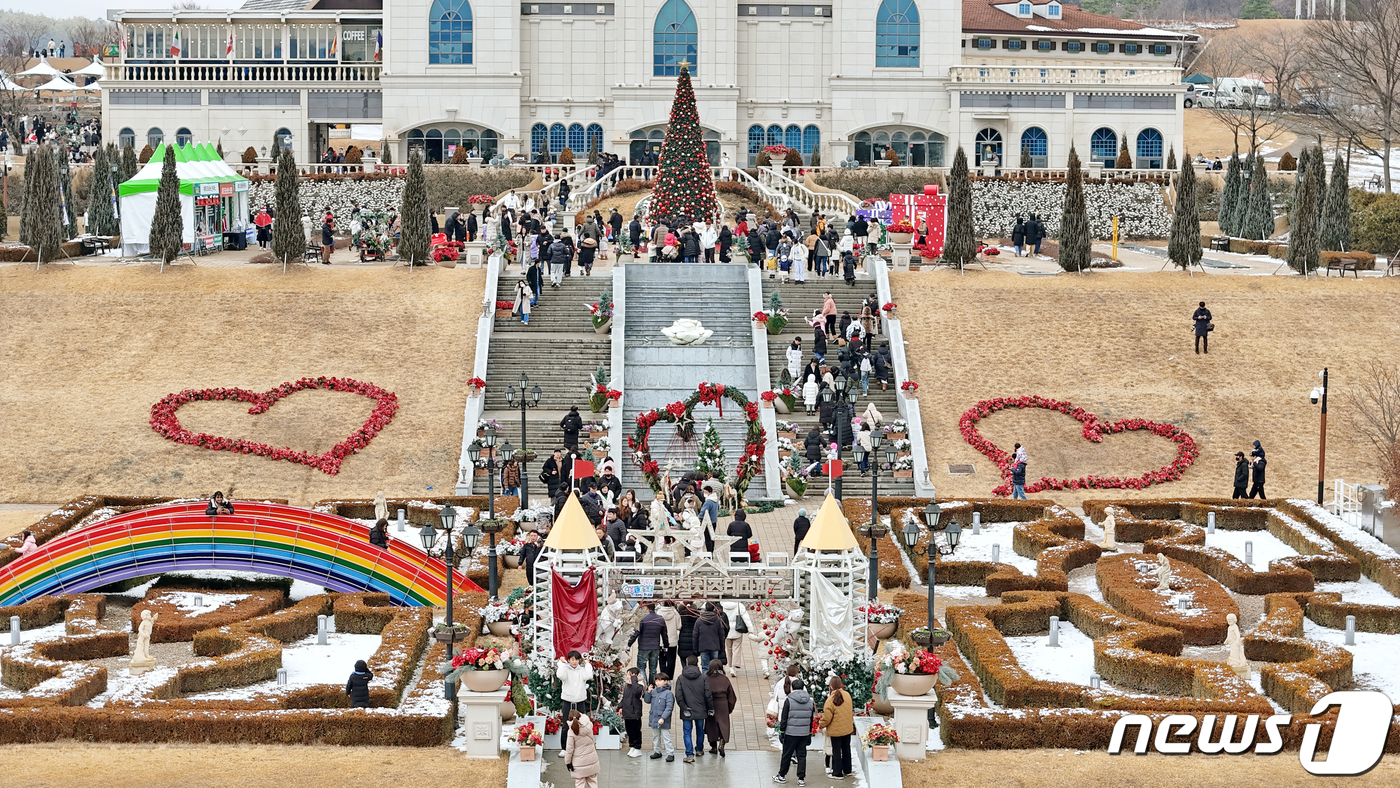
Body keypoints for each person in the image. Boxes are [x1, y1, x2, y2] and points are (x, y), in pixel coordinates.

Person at [673, 655, 713, 762]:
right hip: (701, 709)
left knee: (687, 732)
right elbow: (708, 694)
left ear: (686, 664)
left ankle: (689, 754)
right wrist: (710, 708)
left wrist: (684, 707)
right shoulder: (703, 677)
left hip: (687, 710)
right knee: (700, 730)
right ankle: (699, 749)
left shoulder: (681, 678)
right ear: (697, 664)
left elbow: (678, 695)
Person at [774, 677, 813, 784]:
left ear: (792, 688)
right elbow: (810, 719)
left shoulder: (789, 700)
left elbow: (784, 718)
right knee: (802, 756)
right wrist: (809, 732)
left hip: (790, 733)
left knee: (787, 754)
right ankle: (801, 778)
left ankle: (782, 775)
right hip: (804, 733)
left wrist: (782, 731)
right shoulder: (809, 702)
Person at [556, 650, 594, 755]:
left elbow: (588, 676)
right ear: (569, 660)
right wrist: (562, 664)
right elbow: (560, 675)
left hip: (580, 700)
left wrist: (587, 664)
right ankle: (564, 748)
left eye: (576, 659)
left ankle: (579, 747)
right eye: (572, 659)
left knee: (581, 724)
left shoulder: (581, 670)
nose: (574, 662)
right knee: (566, 725)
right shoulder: (566, 670)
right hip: (568, 701)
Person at [820, 676, 854, 779]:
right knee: (846, 749)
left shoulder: (830, 700)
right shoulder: (847, 695)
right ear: (841, 685)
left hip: (835, 730)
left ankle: (837, 773)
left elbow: (827, 717)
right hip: (847, 728)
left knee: (836, 751)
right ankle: (847, 770)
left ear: (830, 686)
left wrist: (821, 725)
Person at [704, 659, 738, 757]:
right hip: (723, 704)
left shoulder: (706, 678)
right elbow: (732, 697)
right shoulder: (724, 679)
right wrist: (729, 708)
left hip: (711, 703)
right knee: (724, 724)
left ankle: (713, 746)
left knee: (711, 725)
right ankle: (722, 743)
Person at [629, 603, 669, 682]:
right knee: (653, 669)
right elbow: (664, 634)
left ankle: (644, 684)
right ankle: (652, 685)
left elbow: (636, 633)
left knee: (641, 667)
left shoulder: (642, 619)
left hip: (643, 646)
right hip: (655, 647)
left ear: (646, 608)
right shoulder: (660, 619)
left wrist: (629, 644)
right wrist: (666, 646)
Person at [565, 708, 600, 788]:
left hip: (579, 763)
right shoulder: (589, 726)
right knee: (593, 782)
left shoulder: (571, 732)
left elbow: (569, 750)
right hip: (592, 760)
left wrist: (568, 762)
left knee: (580, 784)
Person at [645, 671, 676, 762]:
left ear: (665, 681)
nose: (657, 682)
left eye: (660, 680)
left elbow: (669, 707)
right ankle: (657, 751)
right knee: (655, 736)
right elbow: (647, 700)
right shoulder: (654, 692)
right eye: (656, 680)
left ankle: (670, 753)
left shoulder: (668, 693)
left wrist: (663, 717)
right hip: (654, 717)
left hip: (663, 719)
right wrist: (648, 692)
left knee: (666, 736)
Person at [621, 667, 647, 757]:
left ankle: (637, 747)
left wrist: (634, 680)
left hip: (635, 712)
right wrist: (620, 706)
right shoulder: (627, 685)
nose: (627, 676)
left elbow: (637, 693)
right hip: (627, 711)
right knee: (629, 730)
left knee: (636, 730)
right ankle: (632, 745)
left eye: (629, 674)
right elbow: (624, 697)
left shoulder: (639, 684)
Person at [693, 606, 727, 672]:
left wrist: (695, 649)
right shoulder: (717, 620)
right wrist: (722, 649)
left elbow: (695, 636)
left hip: (703, 647)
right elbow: (721, 636)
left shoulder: (699, 620)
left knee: (705, 667)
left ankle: (706, 681)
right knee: (715, 666)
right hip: (715, 647)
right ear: (713, 609)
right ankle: (714, 681)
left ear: (705, 608)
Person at [658, 602, 682, 677]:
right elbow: (679, 626)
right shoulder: (675, 613)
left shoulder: (658, 612)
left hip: (661, 640)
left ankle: (663, 677)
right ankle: (670, 677)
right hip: (672, 640)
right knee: (671, 660)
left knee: (662, 659)